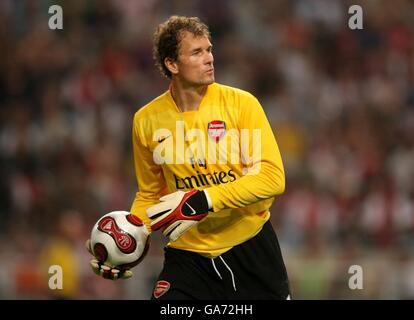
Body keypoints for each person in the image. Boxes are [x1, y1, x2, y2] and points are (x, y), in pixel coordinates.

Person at [86, 15, 291, 300]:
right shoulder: (146, 120)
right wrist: (126, 243)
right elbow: (150, 194)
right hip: (187, 258)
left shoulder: (242, 104)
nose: (209, 59)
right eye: (196, 52)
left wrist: (203, 199)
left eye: (209, 50)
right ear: (172, 64)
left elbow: (271, 178)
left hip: (251, 248)